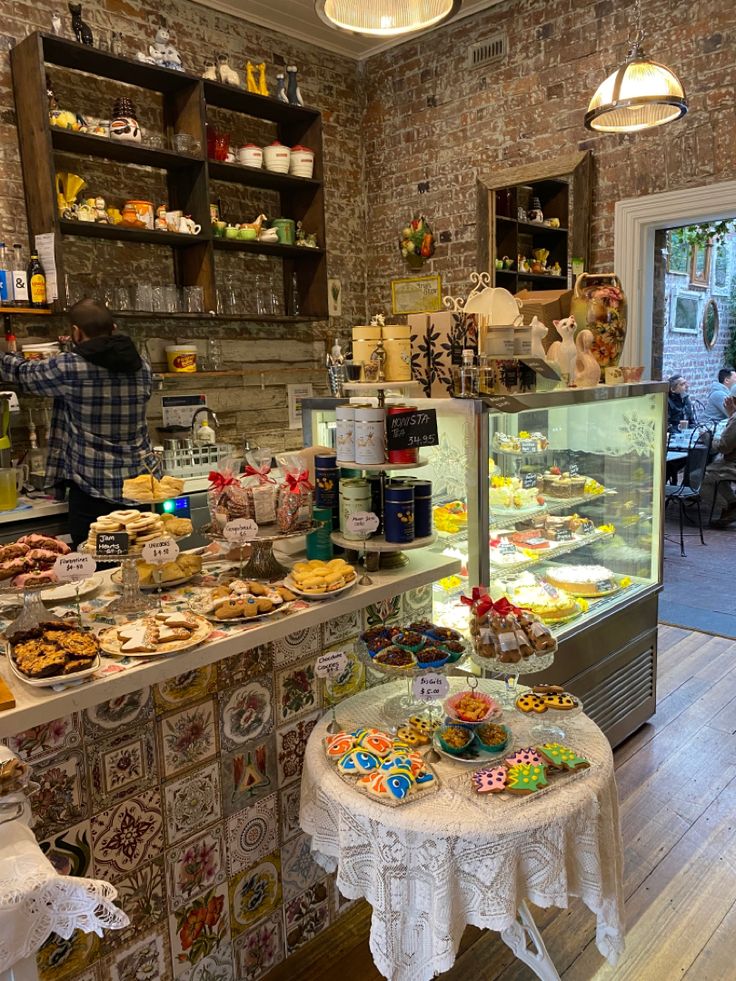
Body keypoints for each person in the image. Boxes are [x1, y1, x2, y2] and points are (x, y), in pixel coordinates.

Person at [0, 298, 160, 546]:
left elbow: (21, 373)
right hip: (141, 485)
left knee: (99, 570)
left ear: (75, 332)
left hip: (93, 491)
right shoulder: (142, 367)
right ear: (114, 328)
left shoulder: (70, 367)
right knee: (142, 562)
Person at [702, 394, 736, 527]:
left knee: (698, 479)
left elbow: (724, 447)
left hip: (732, 464)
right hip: (730, 463)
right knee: (715, 469)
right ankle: (732, 503)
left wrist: (708, 438)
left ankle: (729, 506)